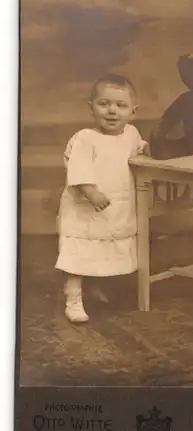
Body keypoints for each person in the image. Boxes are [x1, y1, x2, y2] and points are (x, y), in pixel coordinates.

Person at [55, 74, 150, 323]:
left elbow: (139, 150)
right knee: (80, 251)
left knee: (104, 251)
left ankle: (96, 288)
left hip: (116, 207)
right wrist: (90, 192)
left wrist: (150, 150)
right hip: (87, 208)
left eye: (121, 106)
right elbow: (78, 169)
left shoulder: (131, 133)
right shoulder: (85, 138)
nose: (112, 111)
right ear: (91, 107)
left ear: (132, 112)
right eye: (104, 104)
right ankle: (73, 297)